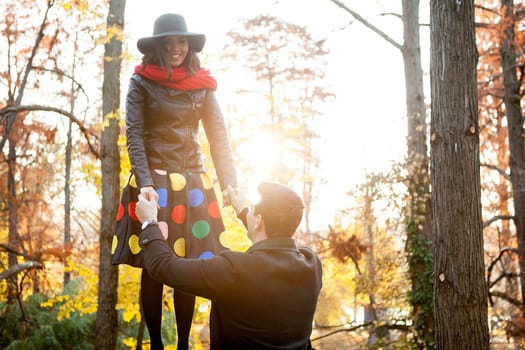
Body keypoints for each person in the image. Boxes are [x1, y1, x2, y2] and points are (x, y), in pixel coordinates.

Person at [111, 13, 237, 350]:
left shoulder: (204, 85)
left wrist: (229, 184)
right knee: (153, 268)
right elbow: (134, 134)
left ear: (189, 45)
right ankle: (156, 344)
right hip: (154, 182)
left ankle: (182, 344)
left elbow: (218, 137)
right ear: (157, 47)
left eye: (180, 41)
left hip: (193, 183)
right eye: (168, 43)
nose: (175, 48)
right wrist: (145, 180)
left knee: (188, 265)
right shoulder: (141, 82)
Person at [135, 182, 323, 349]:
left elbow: (164, 267)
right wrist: (244, 212)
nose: (248, 212)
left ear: (258, 220)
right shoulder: (311, 264)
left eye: (251, 211)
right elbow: (277, 240)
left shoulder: (235, 270)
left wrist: (149, 223)